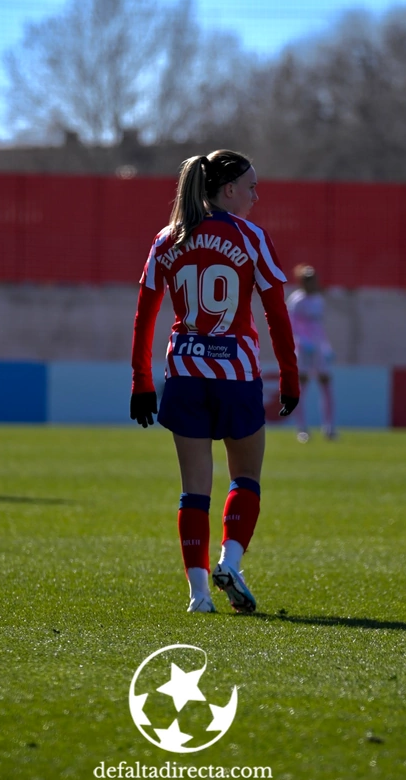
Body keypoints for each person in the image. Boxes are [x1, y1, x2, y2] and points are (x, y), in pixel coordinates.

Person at [130, 150, 300, 615]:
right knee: (245, 477)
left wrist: (141, 380)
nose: (255, 195)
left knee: (193, 490)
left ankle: (199, 596)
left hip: (183, 373)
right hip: (236, 375)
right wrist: (288, 374)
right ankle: (231, 561)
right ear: (228, 191)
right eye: (250, 187)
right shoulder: (251, 237)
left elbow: (145, 315)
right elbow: (276, 314)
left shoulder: (167, 238)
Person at [286, 264, 336, 442]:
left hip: (318, 347)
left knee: (326, 384)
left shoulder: (318, 300)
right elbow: (290, 325)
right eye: (307, 279)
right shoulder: (296, 300)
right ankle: (301, 428)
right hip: (304, 347)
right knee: (302, 387)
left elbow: (319, 326)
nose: (311, 283)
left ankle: (329, 427)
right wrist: (302, 342)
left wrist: (326, 345)